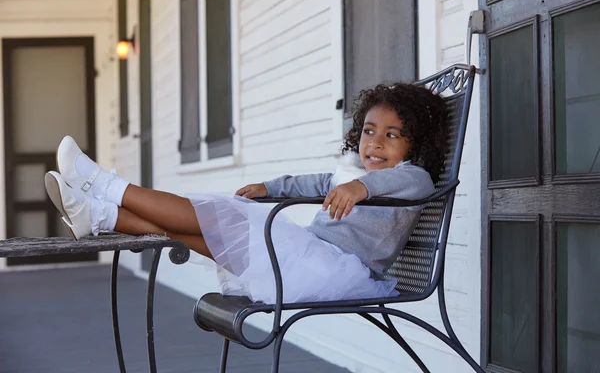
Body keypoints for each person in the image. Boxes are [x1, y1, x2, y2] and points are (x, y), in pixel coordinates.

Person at [44, 82, 448, 304]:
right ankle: (97, 217)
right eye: (369, 132)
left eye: (391, 135)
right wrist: (270, 188)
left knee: (224, 218)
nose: (375, 144)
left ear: (416, 144)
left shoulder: (414, 179)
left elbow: (389, 184)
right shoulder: (351, 173)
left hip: (335, 271)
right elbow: (308, 183)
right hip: (311, 260)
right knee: (212, 234)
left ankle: (102, 184)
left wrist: (360, 186)